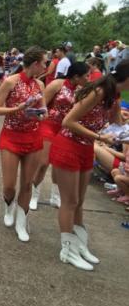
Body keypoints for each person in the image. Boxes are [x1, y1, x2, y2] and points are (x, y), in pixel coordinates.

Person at [49, 59, 129, 271]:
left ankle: (79, 243)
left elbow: (117, 123)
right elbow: (68, 121)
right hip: (68, 145)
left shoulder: (114, 94)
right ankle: (67, 249)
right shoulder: (99, 91)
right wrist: (99, 137)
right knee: (70, 200)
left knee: (80, 200)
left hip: (84, 148)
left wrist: (120, 125)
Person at [0, 46, 48, 242]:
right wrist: (18, 109)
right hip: (11, 136)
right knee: (9, 185)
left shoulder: (40, 85)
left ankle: (22, 223)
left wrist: (40, 114)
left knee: (26, 184)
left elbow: (44, 110)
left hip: (33, 136)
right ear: (35, 64)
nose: (45, 66)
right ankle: (9, 206)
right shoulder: (10, 82)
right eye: (44, 62)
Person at [30, 62, 89, 211]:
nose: (89, 78)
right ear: (76, 76)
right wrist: (40, 117)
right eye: (86, 76)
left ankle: (55, 197)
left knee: (59, 165)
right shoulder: (57, 84)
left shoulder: (82, 90)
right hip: (49, 125)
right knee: (43, 162)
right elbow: (41, 104)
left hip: (65, 130)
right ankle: (34, 195)